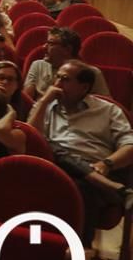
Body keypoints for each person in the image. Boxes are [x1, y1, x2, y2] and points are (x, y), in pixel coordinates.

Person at [29, 60, 133, 243]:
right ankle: (45, 248)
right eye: (57, 78)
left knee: (79, 187)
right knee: (51, 149)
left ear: (84, 87)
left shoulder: (108, 110)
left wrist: (106, 163)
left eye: (65, 79)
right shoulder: (46, 106)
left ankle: (73, 252)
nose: (57, 84)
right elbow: (30, 139)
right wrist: (44, 101)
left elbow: (129, 145)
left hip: (97, 170)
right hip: (53, 169)